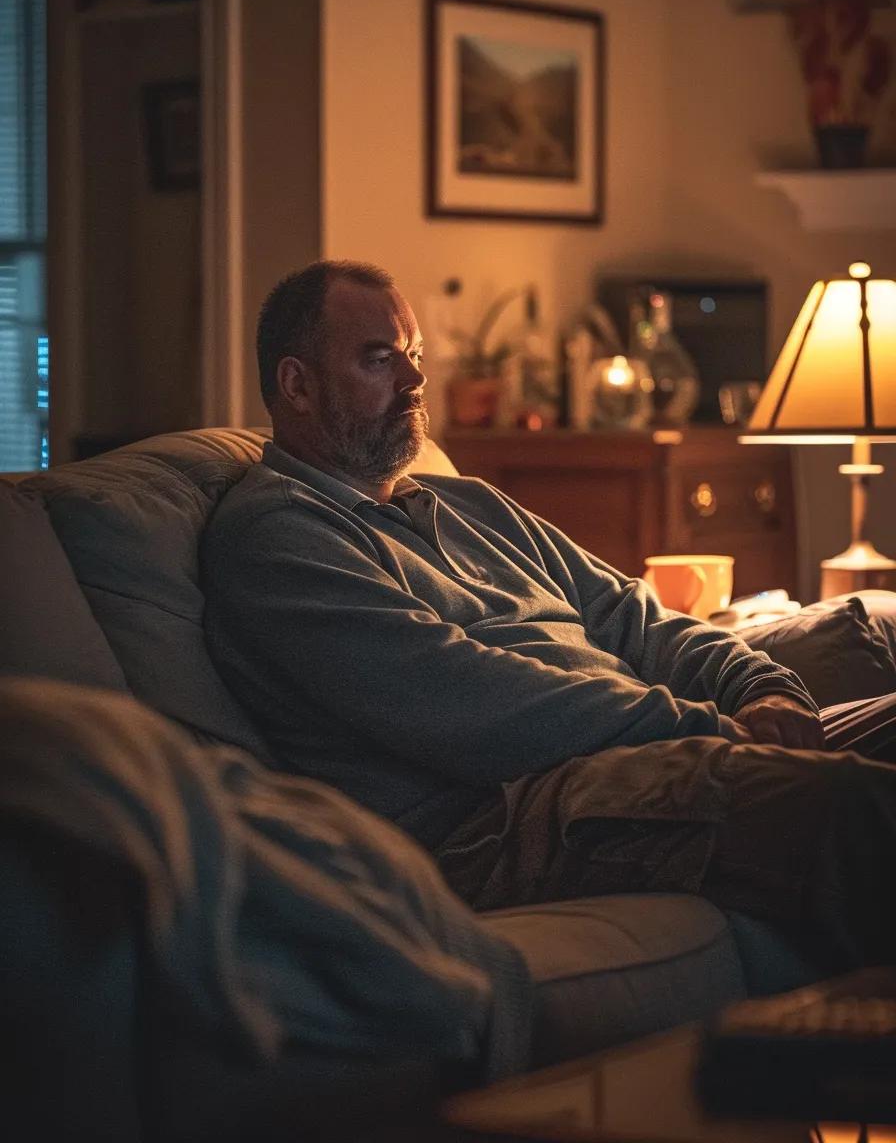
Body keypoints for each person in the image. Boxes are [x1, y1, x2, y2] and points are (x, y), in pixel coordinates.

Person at [201, 260, 896, 976]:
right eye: (380, 361)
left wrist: (760, 689)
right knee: (856, 807)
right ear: (297, 385)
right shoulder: (276, 537)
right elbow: (468, 698)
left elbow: (635, 614)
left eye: (412, 358)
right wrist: (713, 728)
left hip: (645, 754)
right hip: (512, 814)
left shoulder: (471, 504)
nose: (415, 383)